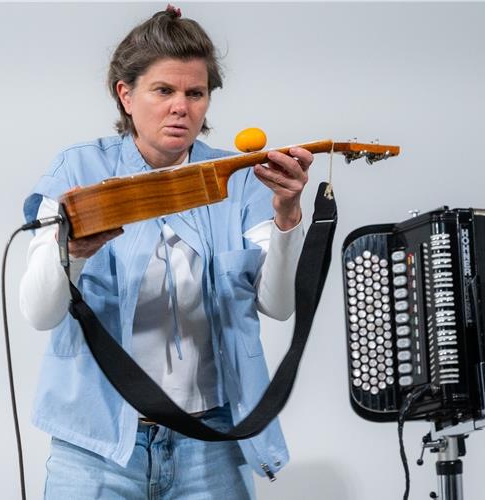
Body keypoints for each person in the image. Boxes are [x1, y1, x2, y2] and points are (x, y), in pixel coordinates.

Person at [19, 6, 312, 499]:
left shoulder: (238, 178)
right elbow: (40, 312)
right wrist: (69, 250)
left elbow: (278, 305)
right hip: (95, 446)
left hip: (211, 443)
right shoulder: (79, 170)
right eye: (164, 91)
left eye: (195, 93)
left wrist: (287, 215)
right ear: (126, 94)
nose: (182, 107)